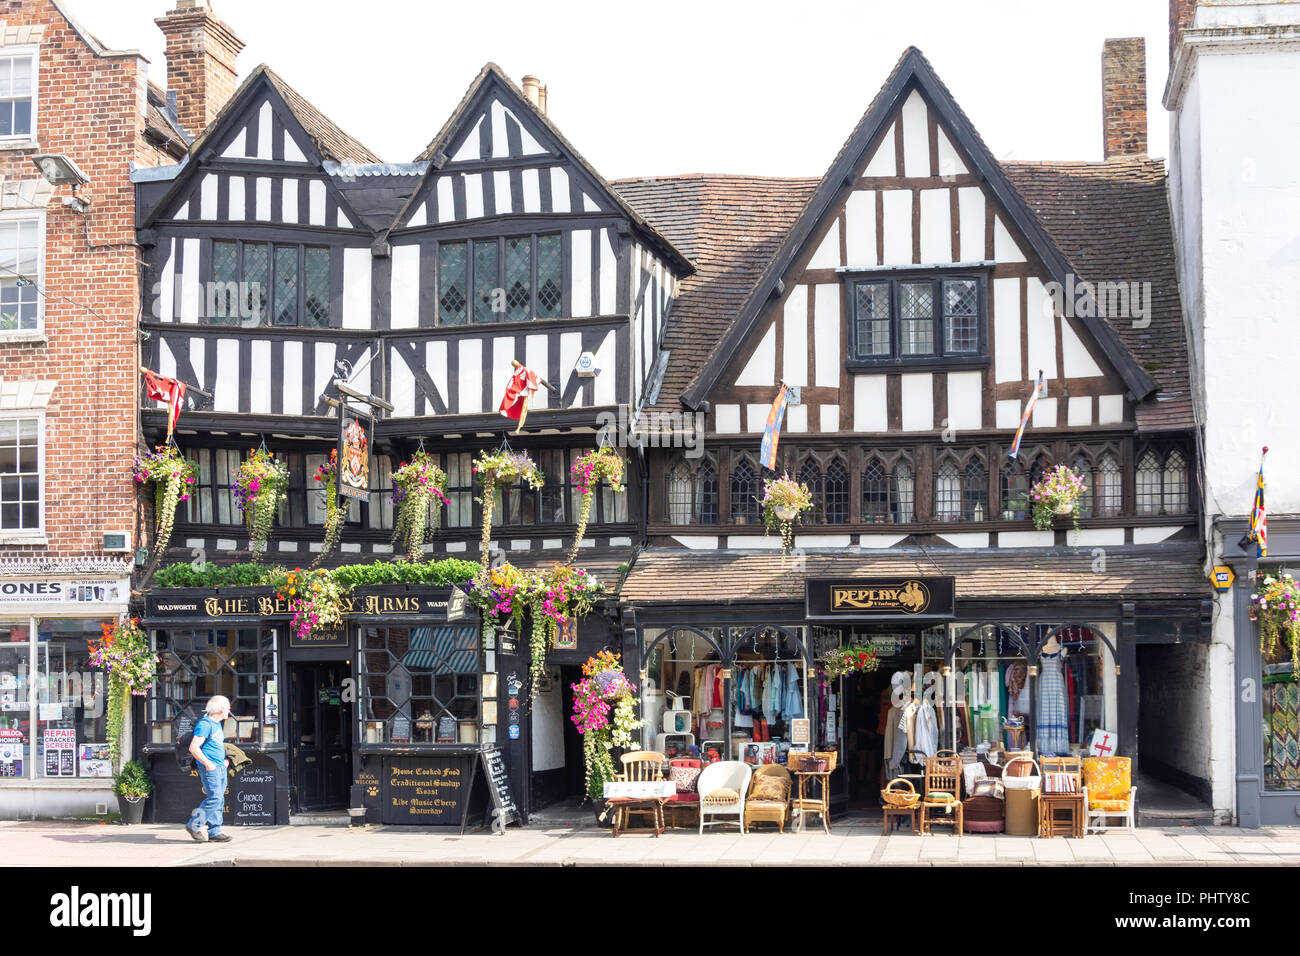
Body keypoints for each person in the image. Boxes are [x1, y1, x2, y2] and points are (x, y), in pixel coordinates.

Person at [186, 695, 232, 843]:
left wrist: (223, 761)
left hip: (219, 767)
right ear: (221, 709)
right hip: (210, 768)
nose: (229, 711)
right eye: (228, 708)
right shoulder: (205, 724)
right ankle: (194, 825)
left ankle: (215, 832)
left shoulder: (216, 724)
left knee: (219, 799)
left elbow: (214, 745)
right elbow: (194, 748)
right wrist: (208, 764)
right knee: (215, 798)